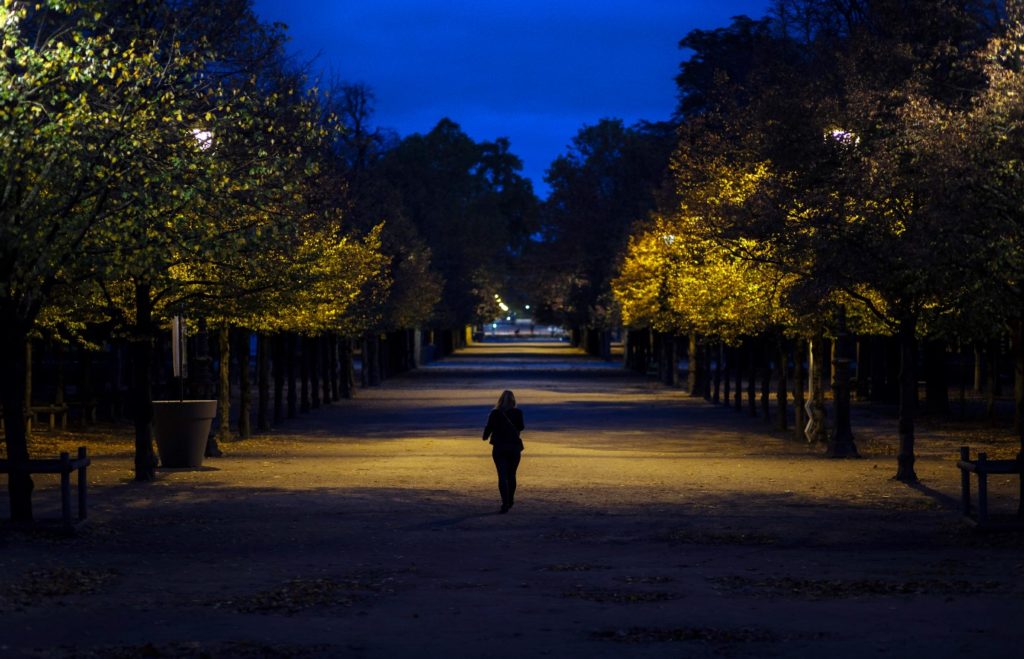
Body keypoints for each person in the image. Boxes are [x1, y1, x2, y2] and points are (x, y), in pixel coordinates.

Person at [482, 390, 525, 514]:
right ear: (513, 400)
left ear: (500, 400)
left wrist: (485, 436)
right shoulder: (518, 412)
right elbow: (521, 427)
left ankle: (504, 503)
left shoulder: (494, 413)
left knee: (501, 476)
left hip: (499, 447)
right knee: (511, 475)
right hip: (514, 447)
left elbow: (488, 430)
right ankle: (510, 499)